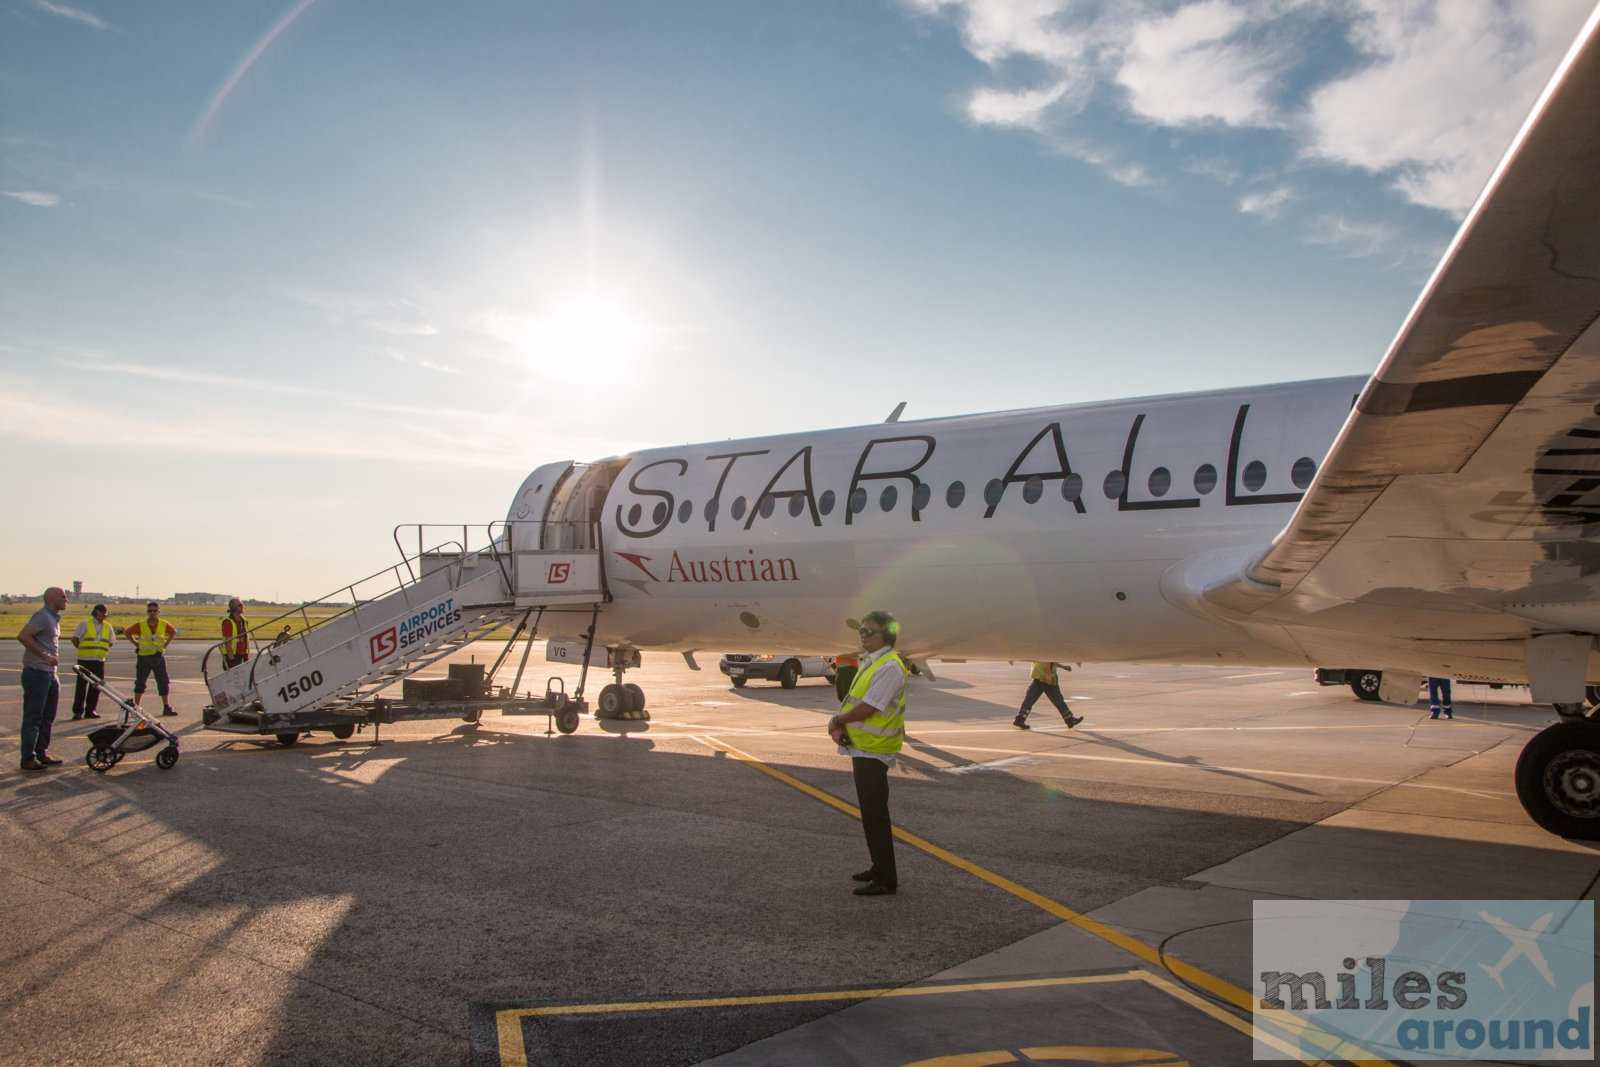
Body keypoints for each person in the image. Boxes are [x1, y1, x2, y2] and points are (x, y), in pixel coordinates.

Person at [827, 609, 906, 897]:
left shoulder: (889, 666)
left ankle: (886, 878)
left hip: (875, 750)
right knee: (870, 814)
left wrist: (837, 721)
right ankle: (879, 866)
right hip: (863, 747)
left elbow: (869, 706)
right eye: (862, 630)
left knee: (875, 814)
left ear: (886, 635)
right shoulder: (872, 662)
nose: (863, 635)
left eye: (869, 631)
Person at [16, 587, 67, 770]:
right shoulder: (43, 616)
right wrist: (44, 656)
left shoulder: (53, 617)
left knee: (48, 716)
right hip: (37, 672)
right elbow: (23, 636)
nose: (66, 600)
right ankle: (28, 758)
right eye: (63, 597)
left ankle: (41, 753)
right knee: (34, 717)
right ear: (52, 598)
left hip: (49, 673)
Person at [125, 601, 180, 716]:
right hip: (144, 657)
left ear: (158, 611)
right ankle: (136, 708)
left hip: (158, 656)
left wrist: (166, 644)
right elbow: (127, 632)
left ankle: (166, 706)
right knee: (140, 682)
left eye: (155, 611)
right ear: (147, 612)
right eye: (150, 611)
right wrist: (136, 644)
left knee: (163, 682)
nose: (152, 613)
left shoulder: (163, 624)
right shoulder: (141, 624)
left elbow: (173, 632)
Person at [70, 602, 114, 719]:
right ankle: (78, 711)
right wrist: (83, 649)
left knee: (96, 686)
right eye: (103, 612)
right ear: (96, 612)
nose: (105, 614)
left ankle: (91, 710)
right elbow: (75, 639)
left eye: (106, 612)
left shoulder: (108, 626)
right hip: (85, 659)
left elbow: (110, 642)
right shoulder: (85, 624)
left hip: (99, 659)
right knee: (81, 686)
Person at [1015, 661, 1084, 730]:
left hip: (1038, 678)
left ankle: (1020, 719)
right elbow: (1048, 660)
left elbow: (1050, 662)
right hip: (1047, 680)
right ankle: (1069, 719)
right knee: (1058, 700)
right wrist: (1048, 674)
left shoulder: (1040, 652)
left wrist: (1062, 666)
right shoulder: (1048, 652)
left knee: (1029, 700)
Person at [221, 598, 250, 669]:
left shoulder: (244, 621)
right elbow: (227, 643)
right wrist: (232, 660)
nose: (242, 607)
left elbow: (245, 639)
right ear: (233, 608)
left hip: (242, 656)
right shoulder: (228, 623)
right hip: (233, 657)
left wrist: (246, 655)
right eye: (240, 605)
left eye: (242, 605)